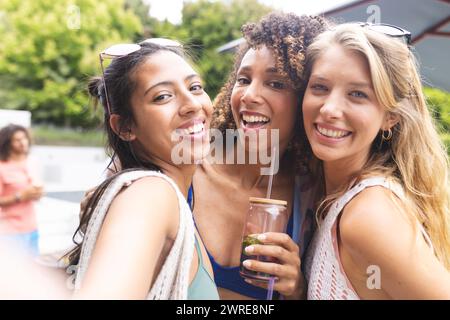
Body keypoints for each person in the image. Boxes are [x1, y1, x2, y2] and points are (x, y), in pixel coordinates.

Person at [302, 23, 450, 299]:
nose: (330, 109)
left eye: (358, 94)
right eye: (320, 87)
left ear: (389, 117)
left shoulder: (367, 216)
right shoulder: (330, 198)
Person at [65, 39, 219, 299]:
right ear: (125, 127)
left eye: (194, 87)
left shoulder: (171, 198)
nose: (192, 104)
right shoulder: (151, 194)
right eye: (162, 96)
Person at [192, 12, 327, 299]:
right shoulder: (186, 167)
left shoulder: (311, 197)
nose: (249, 95)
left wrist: (297, 290)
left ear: (306, 99)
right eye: (243, 79)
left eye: (276, 83)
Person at [0, 124, 43, 256]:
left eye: (24, 138)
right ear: (7, 143)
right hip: (9, 232)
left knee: (32, 268)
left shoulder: (31, 162)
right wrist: (19, 196)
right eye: (17, 140)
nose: (22, 142)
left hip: (31, 228)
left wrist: (37, 193)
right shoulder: (2, 167)